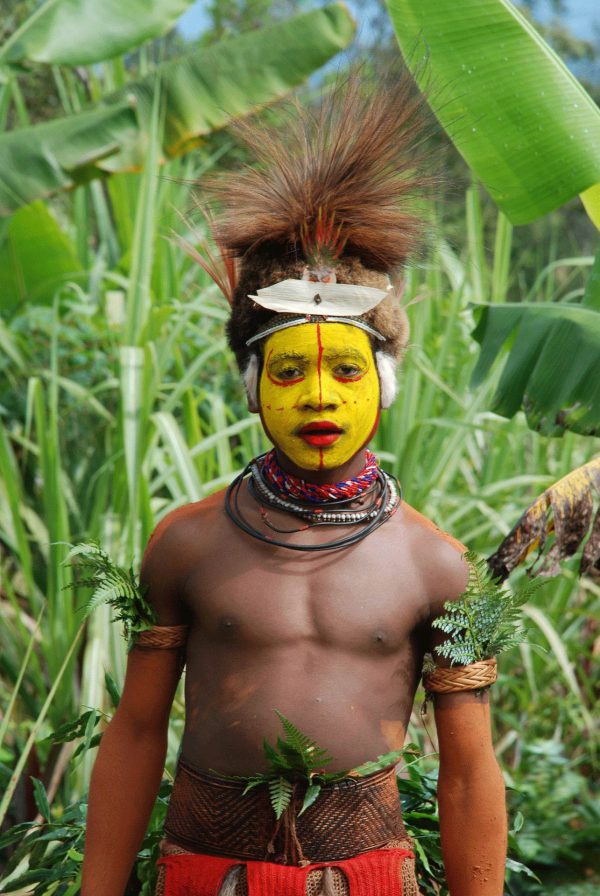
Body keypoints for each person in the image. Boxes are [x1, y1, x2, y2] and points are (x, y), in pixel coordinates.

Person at [81, 76, 507, 896]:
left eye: (345, 368)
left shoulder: (437, 566)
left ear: (382, 385)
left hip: (369, 876)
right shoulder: (190, 544)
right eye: (290, 369)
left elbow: (467, 772)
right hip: (205, 872)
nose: (318, 396)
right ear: (252, 384)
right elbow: (135, 731)